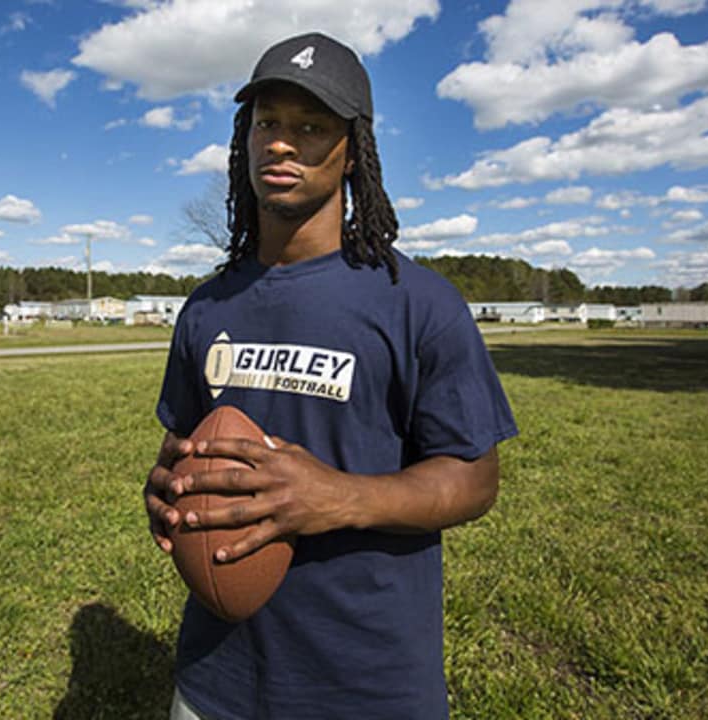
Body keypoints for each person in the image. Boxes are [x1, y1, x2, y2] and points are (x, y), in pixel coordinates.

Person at [146, 31, 518, 719]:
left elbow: (475, 479)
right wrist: (167, 492)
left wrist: (337, 497)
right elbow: (185, 448)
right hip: (216, 681)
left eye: (312, 128)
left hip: (365, 684)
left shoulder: (418, 302)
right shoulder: (207, 306)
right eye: (268, 124)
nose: (282, 144)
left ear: (354, 152)